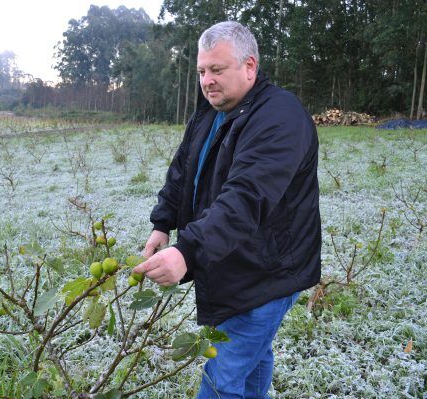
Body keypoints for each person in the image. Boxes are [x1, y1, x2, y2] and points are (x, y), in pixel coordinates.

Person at [132, 21, 322, 398]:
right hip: (233, 260)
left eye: (217, 70)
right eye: (202, 71)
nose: (207, 80)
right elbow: (183, 169)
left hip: (267, 270)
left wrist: (188, 251)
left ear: (249, 67)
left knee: (223, 376)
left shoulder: (279, 116)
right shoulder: (210, 111)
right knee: (253, 354)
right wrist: (163, 223)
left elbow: (247, 197)